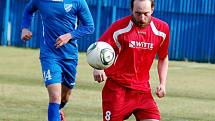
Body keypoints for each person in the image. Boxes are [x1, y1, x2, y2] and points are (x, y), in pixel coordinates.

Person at [93, 0, 169, 121]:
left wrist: (162, 83)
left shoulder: (162, 29)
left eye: (146, 13)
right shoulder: (119, 27)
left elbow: (163, 57)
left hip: (143, 91)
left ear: (152, 10)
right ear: (131, 10)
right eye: (138, 13)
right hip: (117, 91)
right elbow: (99, 48)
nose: (142, 18)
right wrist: (97, 67)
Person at [21, 0, 94, 121]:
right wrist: (24, 27)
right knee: (55, 96)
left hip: (70, 56)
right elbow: (28, 10)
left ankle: (59, 110)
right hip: (49, 55)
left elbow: (89, 26)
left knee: (64, 97)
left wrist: (69, 36)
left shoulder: (78, 2)